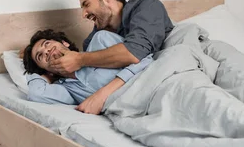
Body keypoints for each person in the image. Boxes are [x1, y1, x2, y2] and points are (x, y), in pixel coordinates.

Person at [50, 0, 173, 113]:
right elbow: (87, 73)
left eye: (86, 4)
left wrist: (80, 59)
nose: (84, 14)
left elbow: (134, 53)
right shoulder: (94, 38)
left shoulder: (146, 6)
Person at [22, 28, 152, 113]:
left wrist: (104, 93)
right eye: (40, 56)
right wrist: (45, 76)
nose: (46, 51)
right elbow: (36, 93)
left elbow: (145, 58)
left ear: (64, 43)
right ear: (47, 71)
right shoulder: (67, 90)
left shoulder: (101, 41)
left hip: (152, 84)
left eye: (47, 44)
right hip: (136, 111)